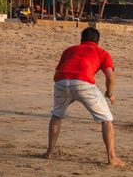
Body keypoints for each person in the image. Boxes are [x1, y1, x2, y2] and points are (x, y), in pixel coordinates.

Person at [44, 27, 125, 166]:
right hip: (84, 83)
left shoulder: (69, 50)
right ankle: (112, 158)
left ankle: (49, 153)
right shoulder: (102, 52)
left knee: (57, 116)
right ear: (97, 41)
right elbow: (110, 76)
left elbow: (55, 75)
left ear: (81, 39)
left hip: (61, 82)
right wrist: (109, 93)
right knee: (106, 119)